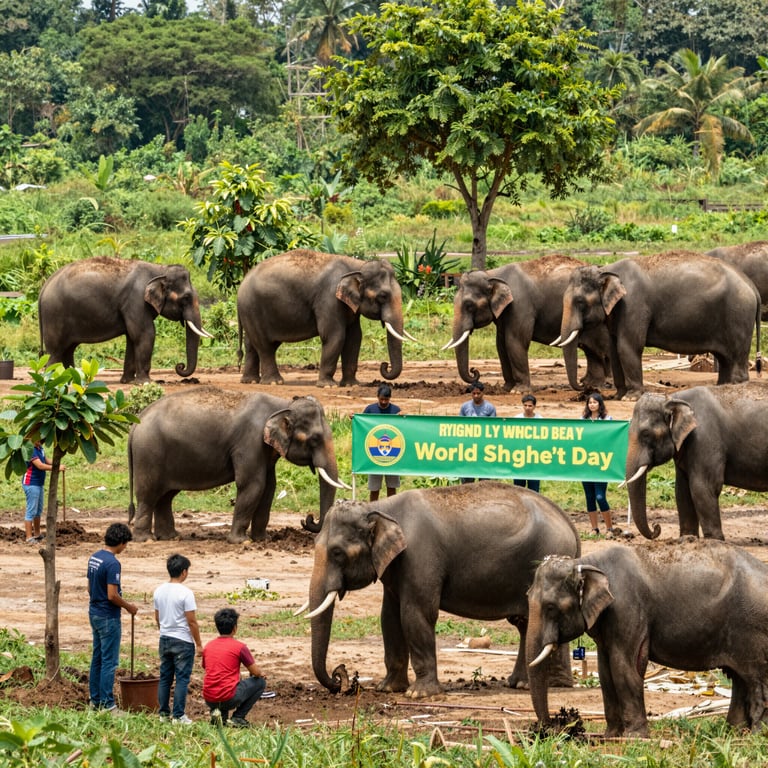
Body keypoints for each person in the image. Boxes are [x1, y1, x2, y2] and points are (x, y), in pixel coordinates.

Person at [87, 522, 138, 714]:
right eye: (126, 544)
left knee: (97, 658)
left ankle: (95, 699)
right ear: (122, 542)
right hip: (108, 616)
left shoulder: (95, 557)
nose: (125, 548)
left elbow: (89, 588)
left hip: (94, 612)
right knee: (109, 661)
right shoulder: (112, 563)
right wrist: (129, 607)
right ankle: (108, 705)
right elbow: (112, 595)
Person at [153, 554, 203, 724]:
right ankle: (179, 715)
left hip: (165, 637)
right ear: (184, 572)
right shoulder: (186, 593)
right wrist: (199, 644)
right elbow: (192, 621)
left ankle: (163, 714)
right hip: (182, 640)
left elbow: (157, 617)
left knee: (165, 677)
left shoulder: (159, 590)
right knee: (182, 678)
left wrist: (164, 631)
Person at [202, 607, 267, 728]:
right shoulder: (240, 647)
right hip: (229, 697)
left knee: (226, 684)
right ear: (235, 628)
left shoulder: (208, 646)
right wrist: (260, 674)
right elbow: (255, 672)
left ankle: (218, 716)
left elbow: (208, 668)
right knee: (260, 683)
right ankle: (238, 717)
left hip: (209, 698)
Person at [581, 393, 617, 537]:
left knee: (600, 496)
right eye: (590, 403)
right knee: (589, 497)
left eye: (595, 402)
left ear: (600, 404)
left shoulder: (607, 420)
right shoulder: (582, 421)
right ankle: (594, 528)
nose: (592, 405)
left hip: (602, 463)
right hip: (585, 463)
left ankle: (609, 528)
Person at [362, 384, 403, 501]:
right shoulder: (370, 410)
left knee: (392, 487)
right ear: (377, 397)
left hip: (392, 454)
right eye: (382, 399)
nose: (384, 402)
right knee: (374, 488)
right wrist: (354, 418)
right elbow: (362, 424)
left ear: (390, 398)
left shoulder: (396, 410)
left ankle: (391, 510)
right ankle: (373, 509)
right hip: (374, 454)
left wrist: (403, 418)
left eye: (386, 399)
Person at [22, 441, 63, 544]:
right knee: (31, 509)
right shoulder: (30, 449)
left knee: (38, 510)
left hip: (39, 483)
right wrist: (56, 468)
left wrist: (57, 463)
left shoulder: (40, 448)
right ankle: (28, 537)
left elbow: (46, 460)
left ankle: (37, 534)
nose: (42, 441)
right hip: (31, 483)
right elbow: (40, 465)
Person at [459, 382, 496, 483]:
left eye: (478, 393)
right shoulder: (464, 407)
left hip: (484, 448)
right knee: (467, 479)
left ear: (483, 393)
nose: (476, 396)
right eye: (473, 393)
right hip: (468, 447)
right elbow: (459, 425)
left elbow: (493, 428)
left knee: (484, 480)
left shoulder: (490, 407)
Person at [513, 394, 543, 493]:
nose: (527, 408)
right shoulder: (516, 419)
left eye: (530, 406)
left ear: (534, 406)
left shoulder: (540, 420)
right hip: (519, 458)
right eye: (525, 405)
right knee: (518, 489)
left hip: (534, 459)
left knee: (534, 490)